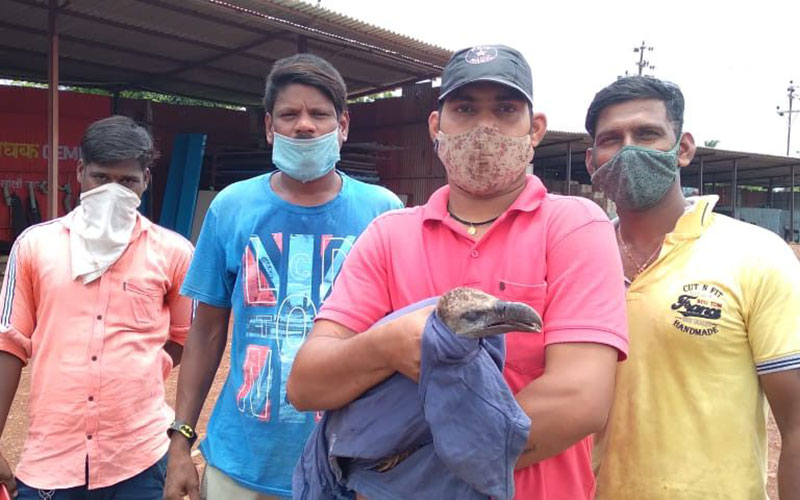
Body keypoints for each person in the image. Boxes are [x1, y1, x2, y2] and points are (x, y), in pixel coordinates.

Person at [287, 44, 629, 499]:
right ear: (436, 126)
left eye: (505, 110)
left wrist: (406, 473)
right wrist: (390, 345)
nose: (484, 127)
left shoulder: (574, 226)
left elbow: (579, 400)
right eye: (465, 109)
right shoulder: (389, 235)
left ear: (535, 129)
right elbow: (308, 383)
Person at [163, 53, 402, 500]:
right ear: (270, 127)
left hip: (350, 463)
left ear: (343, 126)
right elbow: (207, 332)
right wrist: (181, 441)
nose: (304, 126)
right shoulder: (232, 207)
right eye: (289, 115)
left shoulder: (384, 212)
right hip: (242, 464)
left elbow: (402, 333)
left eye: (319, 114)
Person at [584, 76, 800, 499]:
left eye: (647, 133)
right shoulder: (576, 262)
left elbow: (796, 424)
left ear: (682, 149)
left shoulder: (755, 255)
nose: (629, 150)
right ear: (592, 162)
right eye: (611, 139)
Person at [0, 115, 194, 499]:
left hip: (139, 455)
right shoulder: (35, 246)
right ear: (80, 172)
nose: (112, 192)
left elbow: (189, 336)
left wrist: (153, 364)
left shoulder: (174, 252)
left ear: (145, 181)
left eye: (127, 181)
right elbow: (9, 343)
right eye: (101, 177)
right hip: (53, 456)